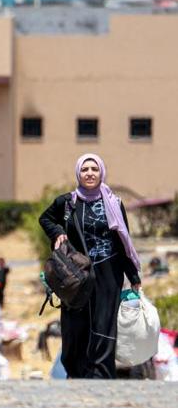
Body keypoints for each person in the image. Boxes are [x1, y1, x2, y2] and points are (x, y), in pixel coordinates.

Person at [39, 153, 142, 379]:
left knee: (104, 328)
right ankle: (76, 373)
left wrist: (133, 276)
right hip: (76, 278)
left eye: (94, 169)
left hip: (108, 276)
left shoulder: (114, 203)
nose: (89, 173)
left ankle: (102, 377)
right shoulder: (67, 202)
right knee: (74, 327)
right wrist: (58, 233)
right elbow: (45, 219)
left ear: (101, 172)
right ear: (78, 173)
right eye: (85, 169)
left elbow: (123, 241)